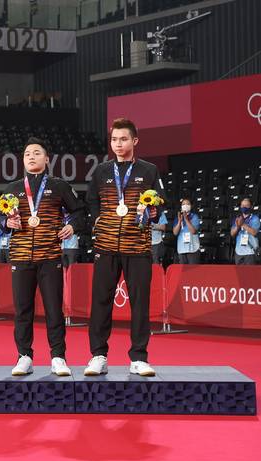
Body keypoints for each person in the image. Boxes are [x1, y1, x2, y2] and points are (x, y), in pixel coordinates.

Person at [84, 118, 164, 377]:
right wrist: (97, 219)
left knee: (140, 304)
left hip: (138, 247)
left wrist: (150, 211)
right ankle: (98, 355)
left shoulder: (149, 170)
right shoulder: (101, 171)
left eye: (124, 139)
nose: (118, 144)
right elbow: (91, 200)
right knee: (101, 302)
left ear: (135, 141)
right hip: (105, 246)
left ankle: (139, 357)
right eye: (114, 140)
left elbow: (161, 205)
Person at [3, 137, 84, 376]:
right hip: (20, 257)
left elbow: (79, 212)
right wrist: (7, 222)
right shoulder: (12, 189)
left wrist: (72, 226)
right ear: (23, 160)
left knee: (53, 310)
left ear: (47, 159)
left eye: (37, 153)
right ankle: (24, 356)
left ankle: (58, 357)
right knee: (22, 310)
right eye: (27, 153)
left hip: (50, 256)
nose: (31, 156)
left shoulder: (59, 186)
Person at [231, 197, 259, 265]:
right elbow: (232, 233)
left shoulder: (255, 218)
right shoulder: (237, 218)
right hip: (238, 252)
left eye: (246, 205)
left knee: (250, 275)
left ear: (251, 207)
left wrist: (243, 224)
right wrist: (237, 226)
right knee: (240, 275)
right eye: (242, 206)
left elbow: (254, 233)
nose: (244, 207)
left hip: (250, 252)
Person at [172, 198, 201, 264]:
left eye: (188, 204)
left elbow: (193, 231)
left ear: (191, 206)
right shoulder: (178, 218)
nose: (185, 206)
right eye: (183, 204)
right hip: (182, 249)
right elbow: (175, 233)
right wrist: (179, 221)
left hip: (193, 249)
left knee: (192, 272)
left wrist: (186, 219)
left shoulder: (194, 216)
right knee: (183, 272)